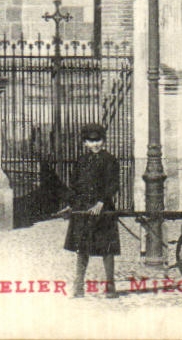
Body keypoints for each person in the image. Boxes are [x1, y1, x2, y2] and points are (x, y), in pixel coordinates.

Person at [63, 122, 121, 298]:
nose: (95, 144)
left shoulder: (110, 160)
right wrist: (71, 204)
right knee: (82, 249)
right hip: (83, 210)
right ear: (85, 143)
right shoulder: (81, 161)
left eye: (98, 140)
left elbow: (113, 184)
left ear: (103, 141)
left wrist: (101, 202)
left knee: (107, 249)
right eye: (90, 141)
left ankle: (110, 287)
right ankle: (79, 287)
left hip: (103, 210)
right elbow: (74, 185)